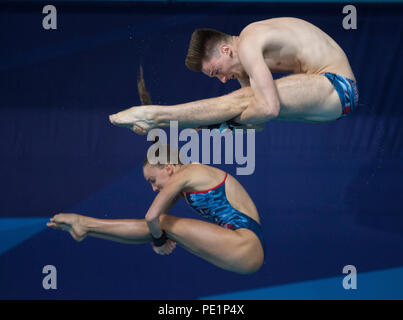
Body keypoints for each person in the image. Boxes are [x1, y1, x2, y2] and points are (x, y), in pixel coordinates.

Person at [109, 17, 358, 135]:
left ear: (226, 50)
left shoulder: (249, 42)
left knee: (240, 100)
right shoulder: (247, 63)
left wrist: (218, 122)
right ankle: (163, 120)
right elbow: (257, 124)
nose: (222, 79)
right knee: (241, 101)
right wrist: (214, 123)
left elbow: (268, 109)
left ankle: (155, 115)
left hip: (337, 86)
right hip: (333, 104)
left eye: (217, 71)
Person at [47, 145, 265, 274]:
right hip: (242, 251)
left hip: (245, 245)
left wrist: (159, 242)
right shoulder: (187, 180)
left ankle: (85, 225)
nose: (153, 188)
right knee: (160, 226)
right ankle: (86, 227)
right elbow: (152, 222)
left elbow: (152, 217)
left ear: (168, 167)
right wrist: (157, 236)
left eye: (153, 180)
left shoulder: (187, 173)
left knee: (161, 225)